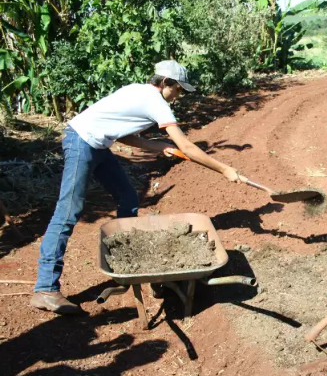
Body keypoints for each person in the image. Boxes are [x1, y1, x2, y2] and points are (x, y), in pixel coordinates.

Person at [31, 60, 244, 315]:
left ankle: (125, 261)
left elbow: (122, 134)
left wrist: (157, 146)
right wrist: (224, 169)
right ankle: (45, 288)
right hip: (83, 142)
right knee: (68, 212)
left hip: (97, 144)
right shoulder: (155, 102)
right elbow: (186, 146)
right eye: (177, 90)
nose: (178, 96)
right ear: (165, 83)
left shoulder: (138, 91)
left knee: (128, 197)